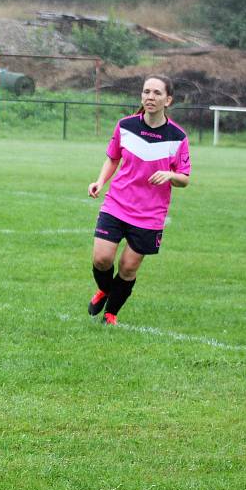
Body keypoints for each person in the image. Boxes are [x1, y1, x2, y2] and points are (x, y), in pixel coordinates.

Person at [87, 74, 191, 325]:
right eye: (146, 92)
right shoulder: (125, 125)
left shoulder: (178, 137)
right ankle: (104, 289)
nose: (150, 97)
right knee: (102, 259)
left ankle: (111, 314)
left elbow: (185, 178)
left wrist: (170, 174)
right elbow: (113, 158)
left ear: (168, 100)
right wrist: (100, 181)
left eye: (156, 93)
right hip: (117, 203)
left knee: (128, 268)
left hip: (150, 214)